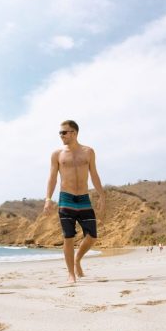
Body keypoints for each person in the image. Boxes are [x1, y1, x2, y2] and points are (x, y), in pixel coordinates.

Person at [43, 120, 105, 283]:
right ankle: (71, 274)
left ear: (74, 133)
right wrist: (48, 198)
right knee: (68, 237)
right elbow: (52, 178)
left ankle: (77, 259)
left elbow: (94, 175)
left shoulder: (88, 152)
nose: (61, 135)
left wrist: (101, 195)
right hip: (66, 198)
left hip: (84, 198)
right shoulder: (57, 154)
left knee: (92, 236)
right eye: (60, 133)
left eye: (64, 132)